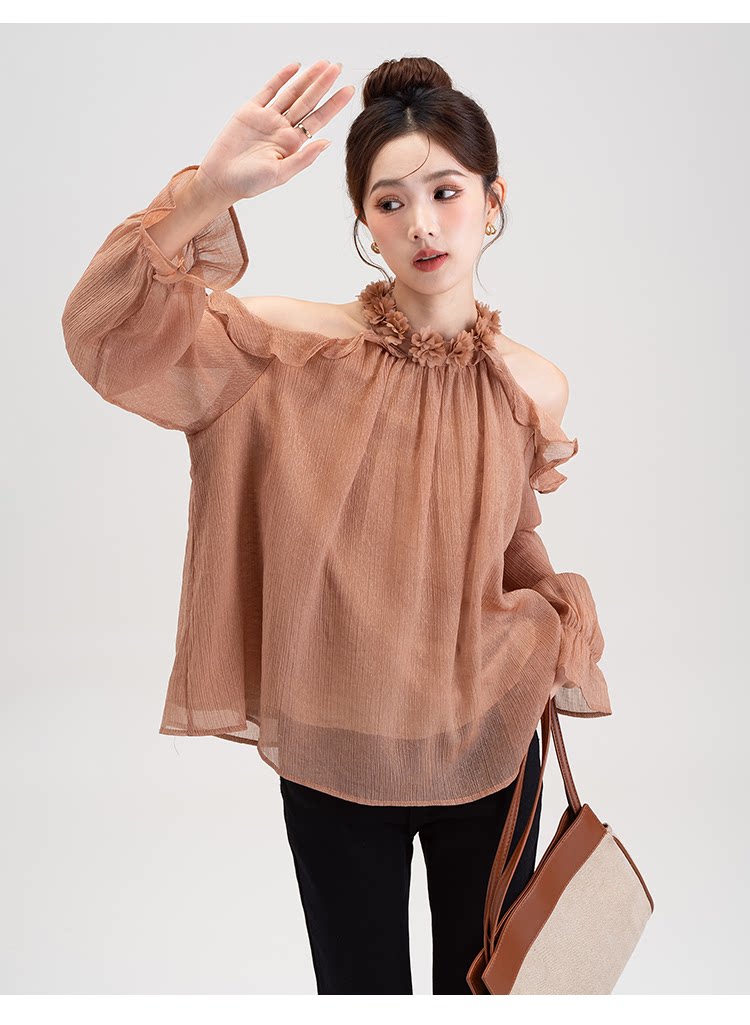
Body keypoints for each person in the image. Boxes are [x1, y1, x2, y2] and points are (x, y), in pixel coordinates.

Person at [61, 55, 612, 995]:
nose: (422, 223)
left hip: (488, 734)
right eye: (391, 202)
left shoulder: (531, 385)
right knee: (359, 992)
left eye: (445, 192)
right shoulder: (289, 348)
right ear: (365, 221)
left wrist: (552, 623)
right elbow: (107, 337)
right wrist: (207, 193)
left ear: (492, 199)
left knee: (488, 995)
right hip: (336, 739)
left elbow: (497, 536)